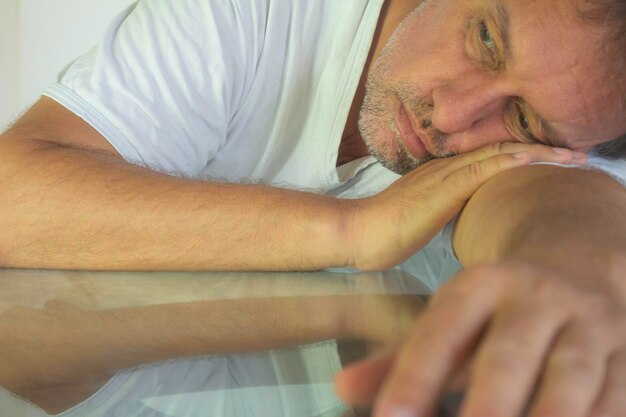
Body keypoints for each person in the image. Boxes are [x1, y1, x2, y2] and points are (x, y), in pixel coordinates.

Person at [0, 0, 624, 416]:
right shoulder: (254, 14)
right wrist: (353, 230)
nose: (455, 117)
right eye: (484, 38)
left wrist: (576, 270)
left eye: (521, 120)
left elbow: (554, 198)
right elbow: (12, 200)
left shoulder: (556, 139)